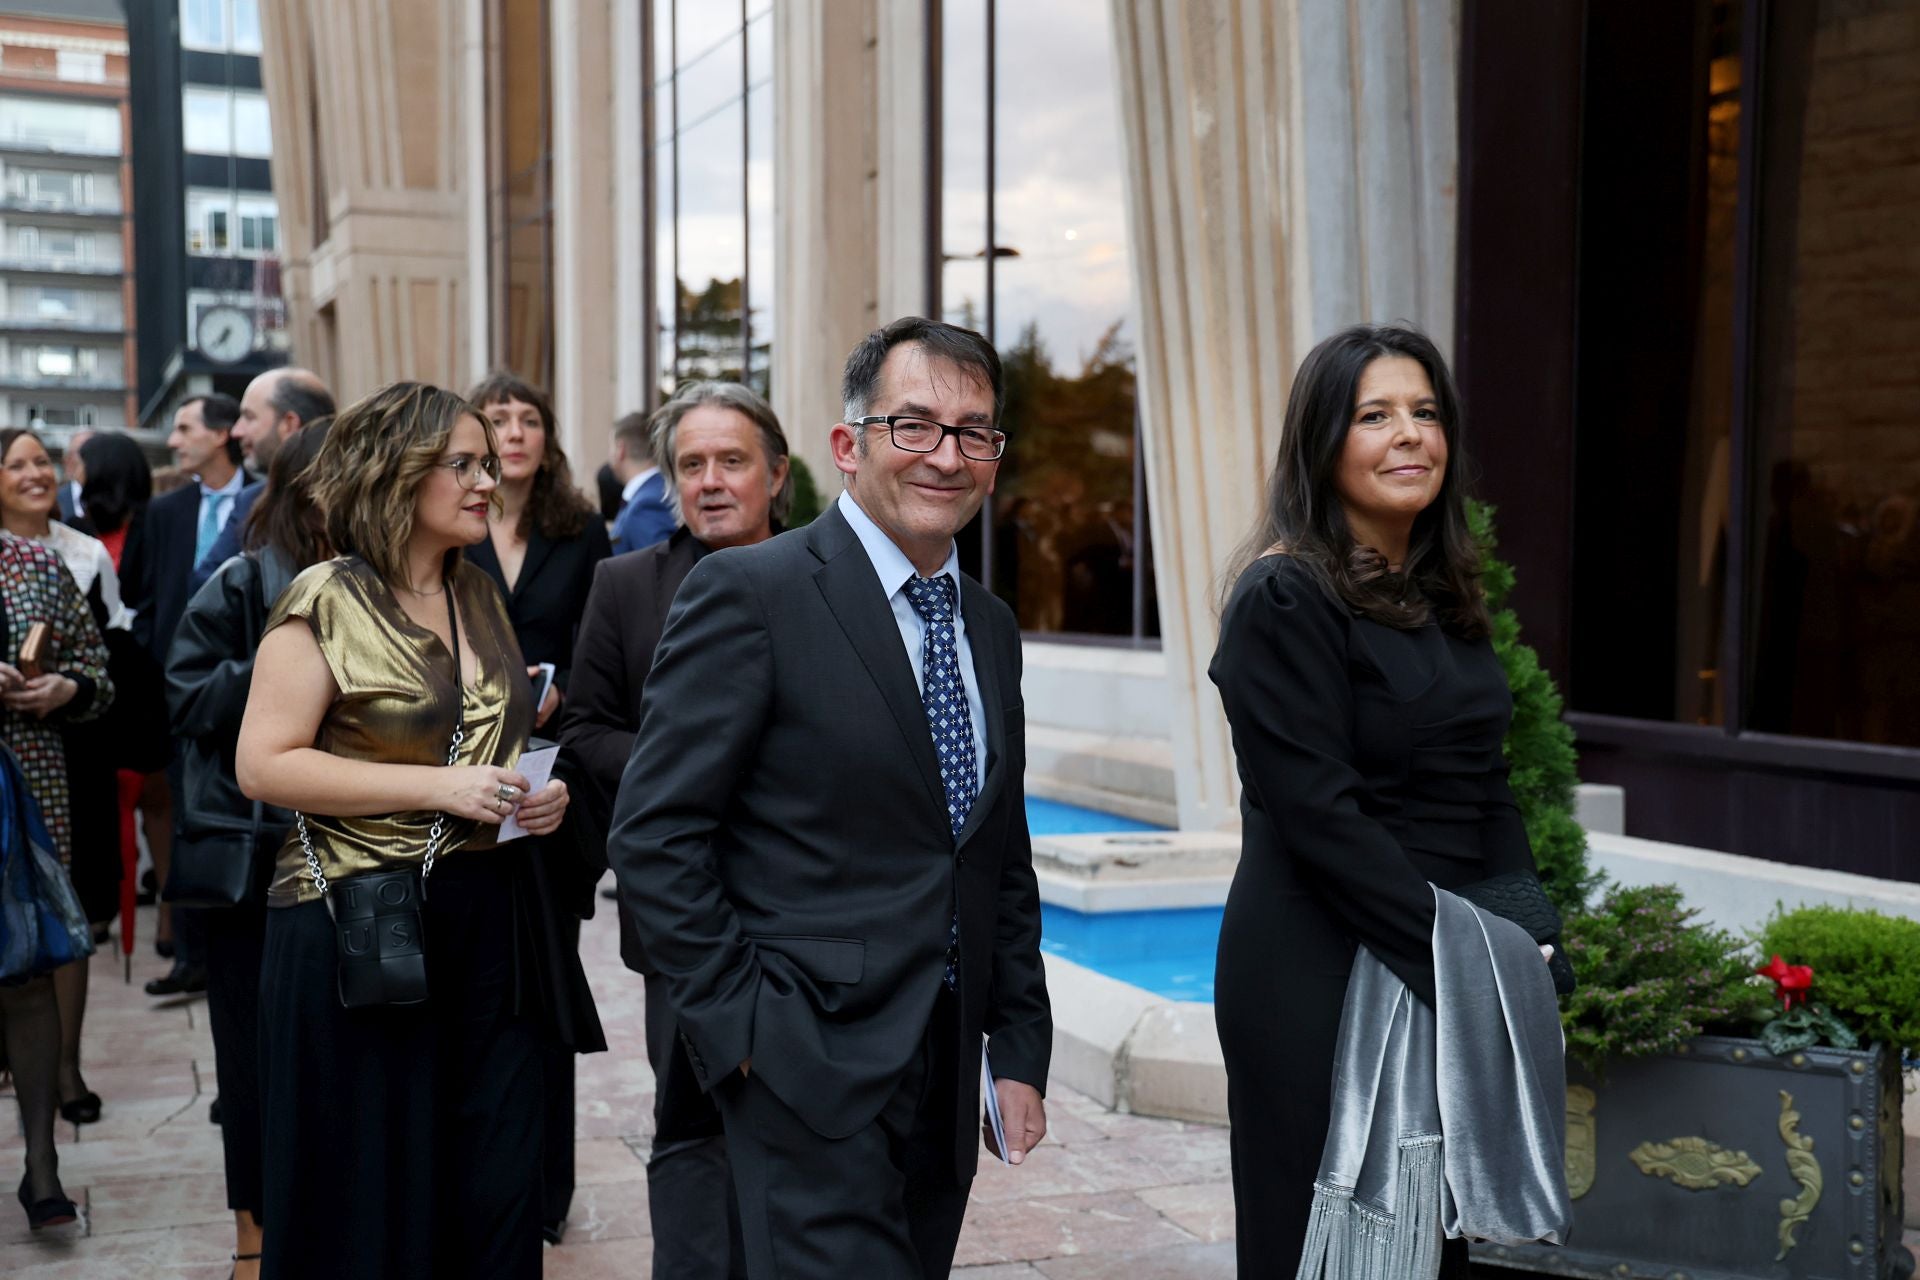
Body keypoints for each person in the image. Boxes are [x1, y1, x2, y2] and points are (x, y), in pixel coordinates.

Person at [608, 318, 1053, 1279]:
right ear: (849, 447)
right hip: (803, 1065)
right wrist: (746, 1033)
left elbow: (994, 851)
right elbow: (655, 835)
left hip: (944, 1072)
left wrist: (1016, 1045)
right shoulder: (750, 592)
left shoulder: (989, 625)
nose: (948, 455)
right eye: (916, 425)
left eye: (975, 432)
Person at [1209, 323, 1562, 1277]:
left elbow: (1488, 786)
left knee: (1436, 1246)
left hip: (1442, 949)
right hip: (1316, 968)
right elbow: (1321, 820)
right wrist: (1472, 961)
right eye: (1375, 416)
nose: (1410, 434)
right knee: (1327, 1247)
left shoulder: (1448, 598)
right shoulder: (1283, 600)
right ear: (1324, 445)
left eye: (1426, 412)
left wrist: (1529, 929)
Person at [235, 381, 570, 1278]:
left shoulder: (481, 595)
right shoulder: (326, 597)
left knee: (494, 1180)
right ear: (396, 475)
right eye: (461, 463)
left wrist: (537, 795)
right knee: (371, 1189)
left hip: (486, 920)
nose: (485, 482)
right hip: (358, 926)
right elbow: (264, 764)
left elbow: (497, 742)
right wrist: (442, 787)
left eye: (487, 465)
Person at [560, 380, 791, 1278]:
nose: (711, 482)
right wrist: (687, 768)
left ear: (777, 472)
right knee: (693, 1123)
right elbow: (584, 729)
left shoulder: (831, 581)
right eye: (690, 465)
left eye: (732, 461)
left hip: (813, 910)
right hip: (683, 913)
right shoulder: (624, 586)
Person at [167, 420, 332, 1280]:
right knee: (250, 1055)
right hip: (255, 864)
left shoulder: (395, 586)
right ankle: (253, 1232)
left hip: (353, 864)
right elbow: (185, 694)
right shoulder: (242, 580)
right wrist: (288, 663)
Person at [462, 370, 610, 1241]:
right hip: (459, 779)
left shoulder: (579, 529)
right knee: (483, 983)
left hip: (552, 779)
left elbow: (602, 640)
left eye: (528, 420)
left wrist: (561, 692)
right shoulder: (450, 521)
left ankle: (547, 1190)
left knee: (551, 980)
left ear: (546, 438)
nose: (514, 433)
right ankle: (487, 1176)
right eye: (497, 419)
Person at [0, 428, 141, 1129]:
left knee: (73, 910)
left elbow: (109, 661)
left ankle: (66, 1065)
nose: (36, 473)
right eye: (18, 463)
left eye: (43, 461)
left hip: (70, 751)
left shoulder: (78, 555)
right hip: (8, 755)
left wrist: (66, 688)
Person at [0, 525, 113, 1228]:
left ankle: (43, 1169)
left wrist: (68, 687)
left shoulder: (34, 562)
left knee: (28, 972)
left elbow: (99, 674)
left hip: (22, 786)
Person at [124, 393, 246, 997]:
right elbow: (146, 599)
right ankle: (191, 956)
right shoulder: (166, 511)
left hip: (252, 693)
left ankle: (233, 945)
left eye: (184, 427)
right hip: (181, 697)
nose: (174, 441)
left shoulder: (265, 501)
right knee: (186, 818)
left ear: (223, 433)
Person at [194, 368, 334, 593]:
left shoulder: (361, 495)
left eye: (249, 417)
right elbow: (207, 586)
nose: (236, 431)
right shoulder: (249, 500)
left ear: (289, 423)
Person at [607, 410, 675, 553]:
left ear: (620, 449)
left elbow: (658, 570)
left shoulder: (646, 505)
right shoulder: (658, 490)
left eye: (610, 447)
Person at [57, 427, 92, 522]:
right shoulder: (54, 502)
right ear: (68, 459)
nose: (92, 458)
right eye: (84, 451)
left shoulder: (116, 499)